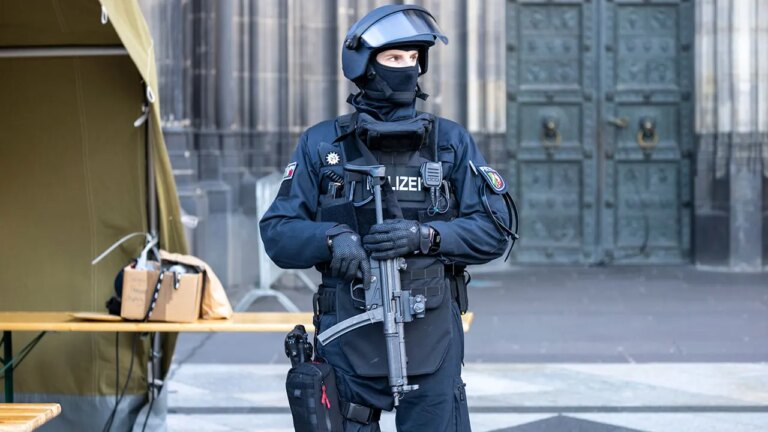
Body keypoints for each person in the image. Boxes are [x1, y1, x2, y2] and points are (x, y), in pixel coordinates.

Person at [260, 5, 517, 431]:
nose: (406, 69)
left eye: (413, 59)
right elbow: (277, 232)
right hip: (347, 331)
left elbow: (494, 231)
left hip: (431, 332)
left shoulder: (449, 142)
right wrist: (332, 238)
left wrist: (426, 236)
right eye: (393, 58)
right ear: (363, 64)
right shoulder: (322, 144)